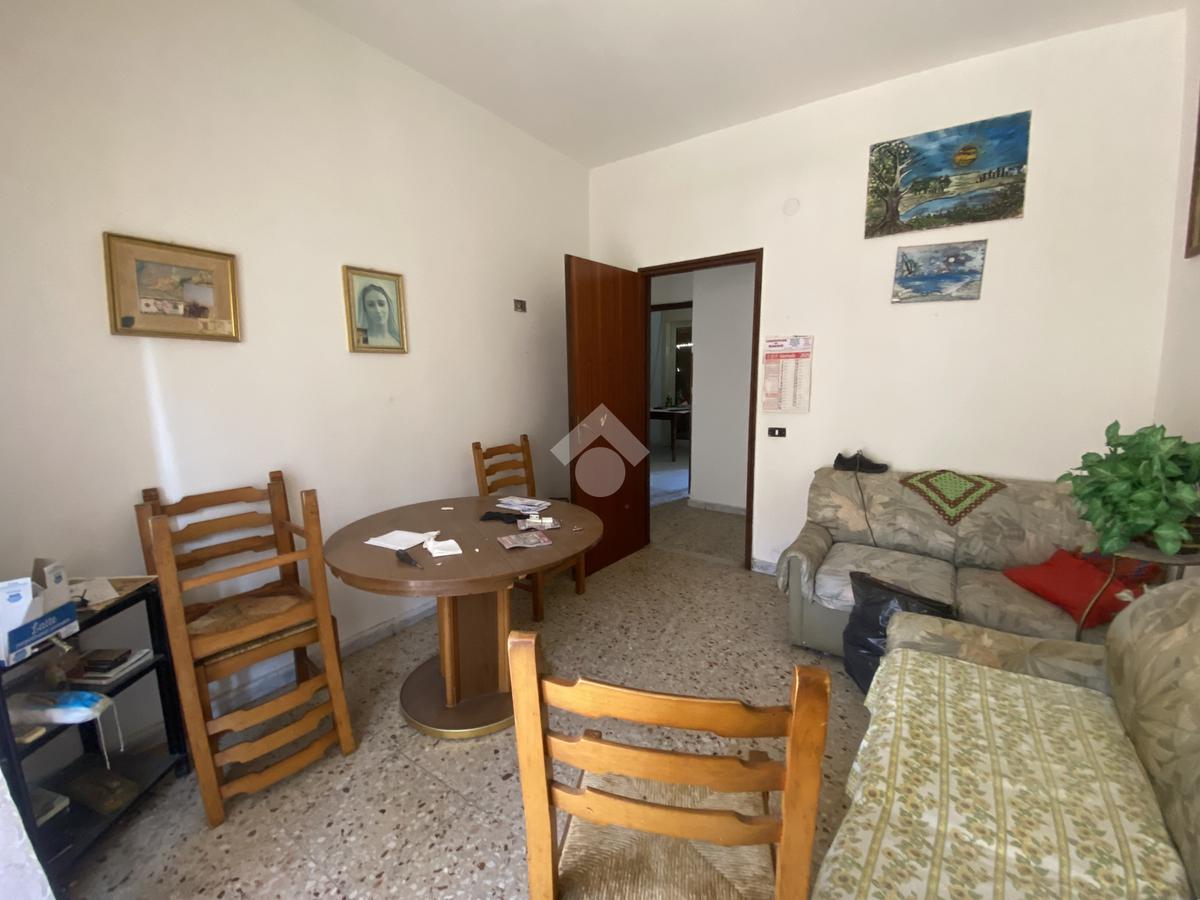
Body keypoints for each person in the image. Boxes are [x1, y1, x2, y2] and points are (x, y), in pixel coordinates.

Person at [357, 283, 402, 347]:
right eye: (371, 305)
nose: (378, 310)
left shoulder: (398, 339)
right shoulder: (361, 339)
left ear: (389, 306)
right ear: (365, 310)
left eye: (381, 304)